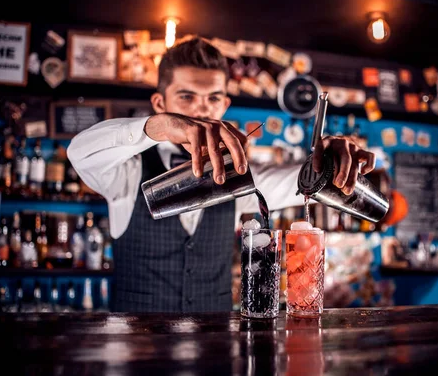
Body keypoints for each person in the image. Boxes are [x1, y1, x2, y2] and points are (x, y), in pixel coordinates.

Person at [67, 37, 375, 313]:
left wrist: (331, 159)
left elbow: (307, 179)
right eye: (186, 97)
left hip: (214, 353)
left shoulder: (238, 178)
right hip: (136, 356)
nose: (202, 109)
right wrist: (158, 127)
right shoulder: (127, 172)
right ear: (160, 104)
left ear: (225, 104)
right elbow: (79, 152)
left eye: (213, 98)